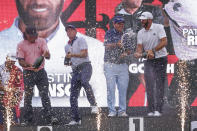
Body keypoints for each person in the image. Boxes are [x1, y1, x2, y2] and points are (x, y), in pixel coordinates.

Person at [0, 0, 107, 108]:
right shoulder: (3, 45)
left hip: (75, 121)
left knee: (46, 97)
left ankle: (49, 115)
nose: (39, 2)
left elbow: (103, 109)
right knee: (28, 98)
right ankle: (27, 118)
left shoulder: (95, 48)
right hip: (15, 117)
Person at [164, 0, 197, 129]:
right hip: (185, 63)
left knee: (177, 101)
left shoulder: (172, 8)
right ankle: (189, 124)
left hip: (187, 63)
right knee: (177, 102)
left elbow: (168, 11)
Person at [17, 27, 57, 125]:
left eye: (35, 35)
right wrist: (29, 65)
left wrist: (47, 54)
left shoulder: (41, 41)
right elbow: (21, 61)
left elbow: (47, 56)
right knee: (28, 96)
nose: (34, 38)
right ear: (26, 35)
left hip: (41, 72)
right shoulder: (21, 45)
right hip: (28, 73)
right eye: (32, 36)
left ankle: (50, 117)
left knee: (44, 95)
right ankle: (27, 119)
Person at [134, 12, 168, 116]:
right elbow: (140, 47)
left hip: (161, 59)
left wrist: (153, 50)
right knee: (149, 85)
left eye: (143, 20)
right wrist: (138, 53)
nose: (141, 21)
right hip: (149, 60)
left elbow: (164, 42)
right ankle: (150, 110)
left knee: (159, 85)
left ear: (150, 20)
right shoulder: (140, 32)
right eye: (141, 20)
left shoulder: (159, 27)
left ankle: (158, 110)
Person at [64, 25, 99, 125]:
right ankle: (76, 119)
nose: (69, 32)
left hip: (85, 66)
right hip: (75, 70)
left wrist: (72, 55)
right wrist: (68, 62)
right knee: (73, 96)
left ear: (75, 31)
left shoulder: (81, 40)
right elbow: (70, 61)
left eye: (71, 30)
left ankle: (94, 105)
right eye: (67, 31)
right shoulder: (66, 46)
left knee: (84, 82)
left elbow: (84, 54)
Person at [104, 16, 132, 117]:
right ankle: (111, 110)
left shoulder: (126, 35)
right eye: (119, 23)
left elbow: (129, 50)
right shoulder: (109, 33)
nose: (121, 25)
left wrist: (125, 53)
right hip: (110, 65)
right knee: (111, 89)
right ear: (114, 24)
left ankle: (122, 111)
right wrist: (117, 44)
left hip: (123, 65)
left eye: (122, 23)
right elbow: (106, 45)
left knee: (123, 89)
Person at [0, 54, 24, 129]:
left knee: (13, 121)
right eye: (10, 61)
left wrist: (16, 91)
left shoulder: (17, 70)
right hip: (1, 95)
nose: (12, 64)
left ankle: (14, 122)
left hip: (11, 97)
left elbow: (20, 86)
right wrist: (8, 89)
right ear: (6, 59)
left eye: (13, 62)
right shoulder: (0, 69)